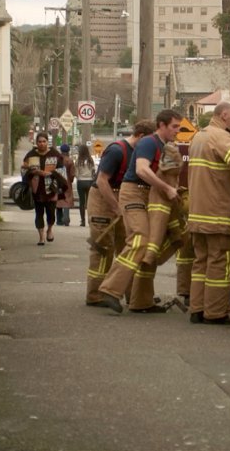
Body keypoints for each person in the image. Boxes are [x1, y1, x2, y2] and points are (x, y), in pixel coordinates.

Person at [90, 110, 182, 314]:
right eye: (174, 126)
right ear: (162, 125)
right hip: (134, 193)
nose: (178, 130)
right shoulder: (149, 142)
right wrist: (167, 188)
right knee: (140, 239)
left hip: (149, 195)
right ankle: (109, 290)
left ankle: (142, 301)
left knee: (151, 247)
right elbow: (141, 170)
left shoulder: (164, 146)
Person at [186, 101, 230, 324]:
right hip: (216, 214)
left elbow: (213, 169)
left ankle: (197, 310)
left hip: (198, 213)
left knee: (200, 263)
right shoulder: (221, 136)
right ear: (224, 115)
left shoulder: (199, 136)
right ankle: (215, 313)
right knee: (218, 264)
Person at [85, 120, 155, 306]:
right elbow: (102, 181)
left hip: (123, 198)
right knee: (103, 248)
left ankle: (132, 295)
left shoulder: (140, 152)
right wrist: (116, 207)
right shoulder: (117, 151)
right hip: (103, 199)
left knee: (128, 248)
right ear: (141, 136)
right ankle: (95, 295)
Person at [22, 133, 66, 246]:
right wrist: (32, 171)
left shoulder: (55, 154)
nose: (42, 144)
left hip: (51, 188)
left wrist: (49, 173)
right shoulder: (31, 155)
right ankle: (41, 237)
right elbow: (23, 169)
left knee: (51, 213)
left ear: (47, 142)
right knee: (39, 213)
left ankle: (49, 229)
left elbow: (62, 170)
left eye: (44, 141)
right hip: (37, 189)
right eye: (39, 142)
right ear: (36, 143)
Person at [75, 145, 96, 227]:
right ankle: (90, 220)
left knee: (82, 202)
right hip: (90, 181)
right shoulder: (91, 160)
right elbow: (94, 171)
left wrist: (79, 177)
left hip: (81, 181)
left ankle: (83, 221)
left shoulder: (78, 161)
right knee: (89, 202)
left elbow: (76, 173)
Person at [56, 144, 76, 226]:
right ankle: (66, 219)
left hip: (58, 182)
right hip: (67, 183)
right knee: (67, 200)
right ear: (68, 151)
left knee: (59, 199)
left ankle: (59, 220)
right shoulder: (70, 161)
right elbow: (72, 174)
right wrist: (71, 180)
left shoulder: (57, 160)